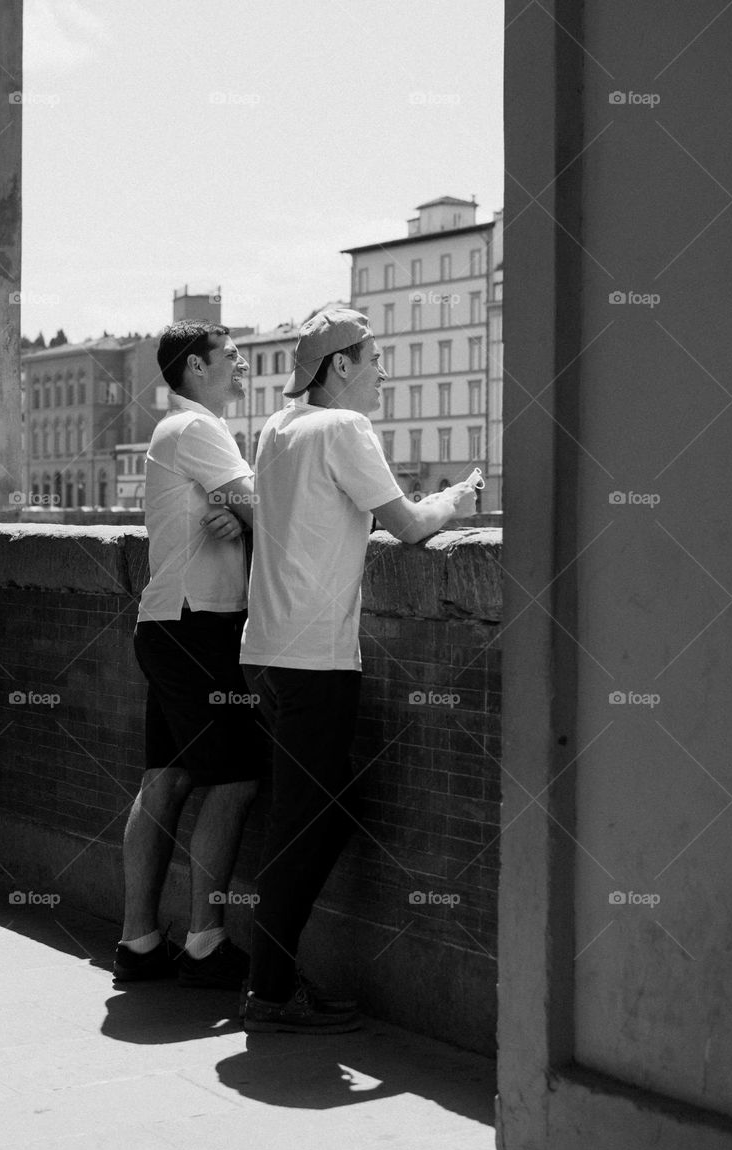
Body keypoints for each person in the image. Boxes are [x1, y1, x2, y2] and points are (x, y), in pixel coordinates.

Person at [220, 307, 479, 1032]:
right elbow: (404, 524)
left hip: (264, 653)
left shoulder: (278, 428)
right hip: (313, 664)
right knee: (306, 825)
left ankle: (268, 978)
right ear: (340, 365)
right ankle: (268, 991)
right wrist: (456, 499)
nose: (384, 372)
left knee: (317, 814)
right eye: (374, 358)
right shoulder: (343, 429)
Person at [112, 320, 267, 990]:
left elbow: (244, 507)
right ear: (196, 368)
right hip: (197, 627)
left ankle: (140, 943)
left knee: (167, 780)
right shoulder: (197, 428)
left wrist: (238, 515)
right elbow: (269, 509)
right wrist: (249, 512)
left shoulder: (177, 431)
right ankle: (205, 942)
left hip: (167, 624)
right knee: (234, 777)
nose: (242, 367)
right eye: (231, 357)